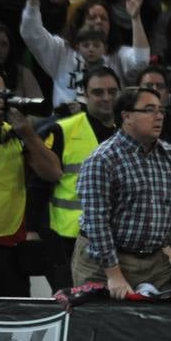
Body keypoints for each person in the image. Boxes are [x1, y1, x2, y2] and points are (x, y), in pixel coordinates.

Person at [71, 85, 171, 298]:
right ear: (126, 116)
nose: (159, 116)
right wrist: (114, 274)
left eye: (161, 110)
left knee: (153, 329)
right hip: (102, 264)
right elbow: (96, 222)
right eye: (149, 110)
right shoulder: (102, 159)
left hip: (156, 263)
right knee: (101, 328)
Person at [0, 62, 62, 297]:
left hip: (8, 253)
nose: (1, 100)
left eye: (4, 93)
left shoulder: (14, 134)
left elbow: (53, 172)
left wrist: (28, 133)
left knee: (8, 327)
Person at [37, 66, 120, 290]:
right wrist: (35, 231)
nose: (106, 98)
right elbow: (38, 187)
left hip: (117, 238)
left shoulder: (128, 131)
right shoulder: (60, 131)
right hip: (68, 238)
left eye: (112, 92)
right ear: (84, 93)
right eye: (98, 92)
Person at [22, 0, 149, 111]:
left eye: (103, 18)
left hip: (107, 124)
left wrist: (135, 17)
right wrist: (33, 1)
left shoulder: (118, 54)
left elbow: (141, 63)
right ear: (80, 23)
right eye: (92, 17)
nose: (98, 21)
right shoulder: (62, 50)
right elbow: (30, 33)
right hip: (67, 123)